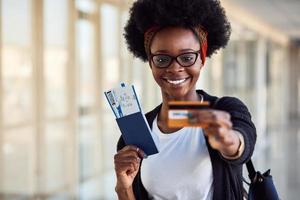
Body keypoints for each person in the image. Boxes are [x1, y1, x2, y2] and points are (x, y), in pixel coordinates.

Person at [113, 0, 257, 199]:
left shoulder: (225, 110)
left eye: (187, 57)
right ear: (151, 63)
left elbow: (243, 143)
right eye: (162, 59)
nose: (175, 68)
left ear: (202, 58)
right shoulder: (135, 134)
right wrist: (123, 187)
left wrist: (228, 140)